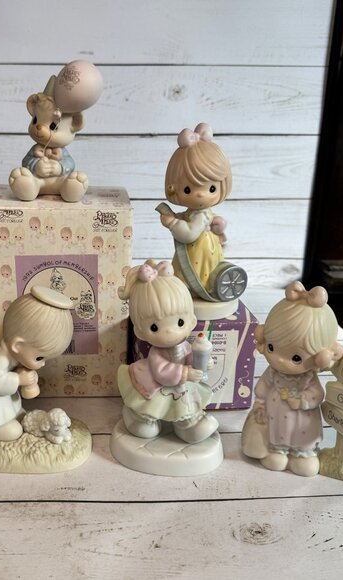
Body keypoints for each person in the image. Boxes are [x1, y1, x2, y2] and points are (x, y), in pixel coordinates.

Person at [242, 281, 343, 476]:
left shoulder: (308, 377)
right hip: (275, 413)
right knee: (276, 438)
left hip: (301, 417)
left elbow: (316, 394)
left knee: (300, 436)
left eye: (296, 358)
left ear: (320, 356)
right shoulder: (273, 372)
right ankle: (277, 450)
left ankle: (302, 454)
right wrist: (260, 405)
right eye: (271, 347)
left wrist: (302, 400)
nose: (280, 360)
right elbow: (263, 387)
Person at [117, 260, 216, 443]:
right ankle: (138, 417)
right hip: (158, 384)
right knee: (151, 407)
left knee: (185, 405)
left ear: (192, 320)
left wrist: (201, 362)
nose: (170, 332)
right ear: (139, 331)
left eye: (180, 322)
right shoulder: (156, 354)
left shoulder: (185, 346)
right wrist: (185, 373)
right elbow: (161, 372)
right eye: (155, 327)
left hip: (181, 385)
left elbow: (189, 357)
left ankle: (188, 424)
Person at [0, 287, 73, 441]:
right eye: (39, 358)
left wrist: (22, 377)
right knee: (13, 431)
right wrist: (19, 379)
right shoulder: (0, 359)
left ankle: (11, 413)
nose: (42, 364)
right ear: (17, 345)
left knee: (18, 413)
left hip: (2, 394)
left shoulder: (14, 353)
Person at [159, 123, 232, 292]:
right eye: (188, 190)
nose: (200, 195)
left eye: (211, 189)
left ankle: (196, 288)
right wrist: (177, 217)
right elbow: (188, 219)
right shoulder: (197, 213)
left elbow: (189, 234)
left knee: (194, 272)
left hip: (199, 250)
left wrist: (172, 223)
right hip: (200, 248)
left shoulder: (201, 216)